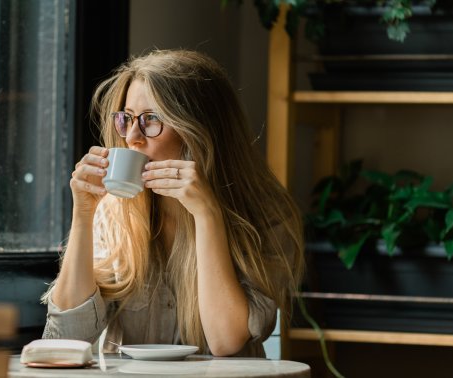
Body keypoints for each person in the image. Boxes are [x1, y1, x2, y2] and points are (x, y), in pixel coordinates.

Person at [41, 49, 304, 357]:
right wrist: (84, 214)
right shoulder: (116, 214)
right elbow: (66, 338)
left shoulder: (267, 217)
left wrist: (207, 215)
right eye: (126, 119)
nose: (133, 137)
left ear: (201, 131)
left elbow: (225, 341)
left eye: (151, 119)